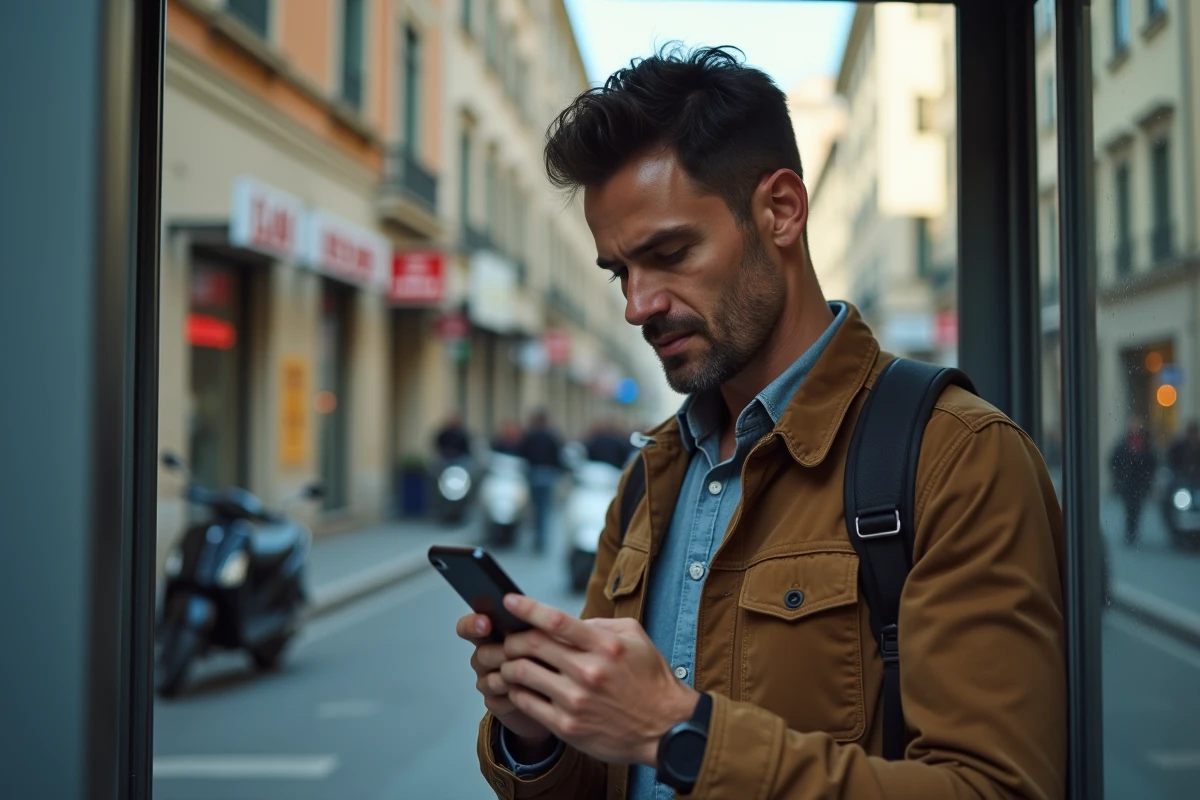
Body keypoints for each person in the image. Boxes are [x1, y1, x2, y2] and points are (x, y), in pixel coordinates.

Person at [456, 45, 1066, 800]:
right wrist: (537, 732)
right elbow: (601, 777)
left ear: (781, 210)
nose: (636, 304)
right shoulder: (652, 476)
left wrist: (681, 734)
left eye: (669, 252)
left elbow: (997, 789)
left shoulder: (959, 457)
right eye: (619, 272)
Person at [518, 410, 564, 554]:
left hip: (534, 473)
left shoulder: (529, 436)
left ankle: (538, 537)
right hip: (548, 474)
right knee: (544, 508)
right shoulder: (552, 436)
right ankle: (541, 538)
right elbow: (558, 455)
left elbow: (523, 453)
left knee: (536, 507)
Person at [1110, 417, 1158, 546]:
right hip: (1126, 482)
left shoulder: (1146, 444)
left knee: (1137, 508)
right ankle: (1129, 532)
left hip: (1140, 483)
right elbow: (1114, 460)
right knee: (1128, 508)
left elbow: (1152, 463)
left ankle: (1134, 532)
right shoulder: (1123, 444)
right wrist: (1118, 477)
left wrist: (1148, 478)